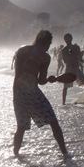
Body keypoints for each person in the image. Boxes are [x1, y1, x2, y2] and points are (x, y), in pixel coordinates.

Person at [12, 30, 68, 158]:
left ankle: (16, 156)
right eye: (48, 43)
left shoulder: (22, 50)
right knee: (53, 122)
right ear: (46, 42)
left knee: (21, 127)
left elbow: (19, 74)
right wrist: (52, 79)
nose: (48, 46)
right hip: (32, 92)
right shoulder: (45, 57)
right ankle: (65, 153)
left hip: (18, 92)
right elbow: (41, 80)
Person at [62, 33, 84, 105]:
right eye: (66, 39)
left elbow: (78, 58)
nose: (67, 40)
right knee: (66, 87)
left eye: (68, 38)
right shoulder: (65, 49)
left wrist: (80, 56)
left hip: (73, 69)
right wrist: (74, 55)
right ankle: (63, 103)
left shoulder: (73, 48)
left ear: (71, 39)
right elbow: (66, 60)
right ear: (65, 40)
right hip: (70, 69)